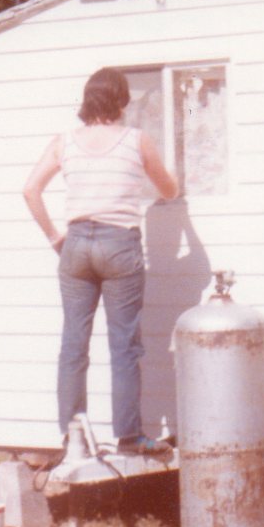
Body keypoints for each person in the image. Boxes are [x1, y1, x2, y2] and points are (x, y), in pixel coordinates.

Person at [23, 67, 179, 454]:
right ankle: (128, 437)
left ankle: (72, 438)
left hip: (76, 244)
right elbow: (169, 190)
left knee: (73, 345)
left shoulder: (64, 142)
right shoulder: (136, 140)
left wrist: (55, 237)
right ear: (122, 101)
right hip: (120, 245)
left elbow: (30, 190)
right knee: (124, 346)